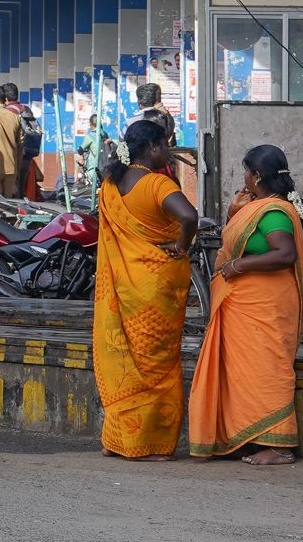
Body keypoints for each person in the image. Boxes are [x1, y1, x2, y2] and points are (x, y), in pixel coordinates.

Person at [189, 144, 303, 465]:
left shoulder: (273, 212)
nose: (243, 177)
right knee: (242, 371)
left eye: (245, 171)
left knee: (267, 369)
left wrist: (239, 267)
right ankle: (247, 436)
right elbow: (238, 240)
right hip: (244, 304)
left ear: (255, 175)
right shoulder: (258, 207)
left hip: (265, 305)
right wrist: (232, 213)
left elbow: (284, 255)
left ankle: (282, 446)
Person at [94, 120, 197, 461]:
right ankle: (149, 444)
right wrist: (182, 248)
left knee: (127, 358)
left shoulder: (111, 184)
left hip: (125, 288)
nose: (168, 152)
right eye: (166, 145)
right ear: (152, 147)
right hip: (155, 293)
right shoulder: (156, 184)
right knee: (158, 365)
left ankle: (117, 439)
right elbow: (190, 216)